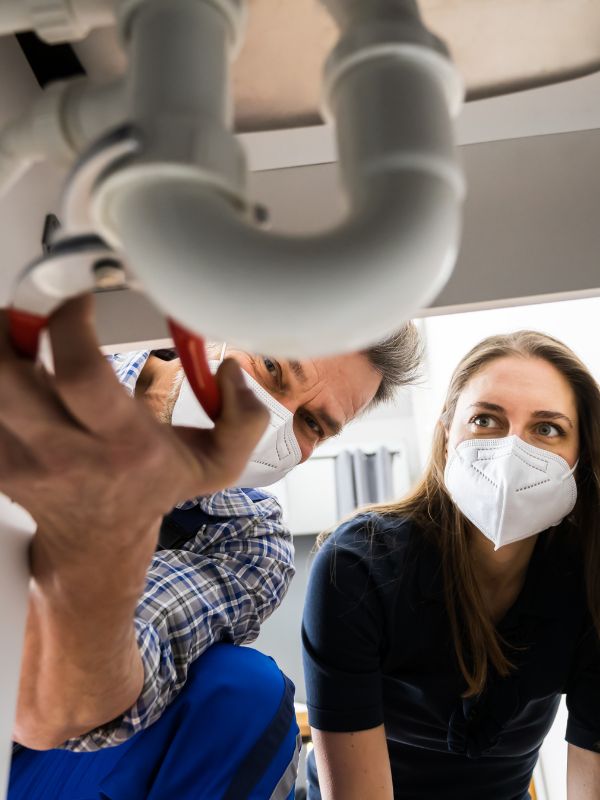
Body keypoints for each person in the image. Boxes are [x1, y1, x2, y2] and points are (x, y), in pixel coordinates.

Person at [5, 296, 422, 799]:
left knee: (248, 694)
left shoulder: (246, 539)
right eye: (270, 368)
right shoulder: (46, 357)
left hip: (33, 747)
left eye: (313, 424)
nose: (269, 419)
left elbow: (52, 708)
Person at [302, 330, 600, 800]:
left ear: (581, 456)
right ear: (446, 433)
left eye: (547, 429)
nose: (510, 454)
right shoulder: (358, 567)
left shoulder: (588, 581)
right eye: (485, 420)